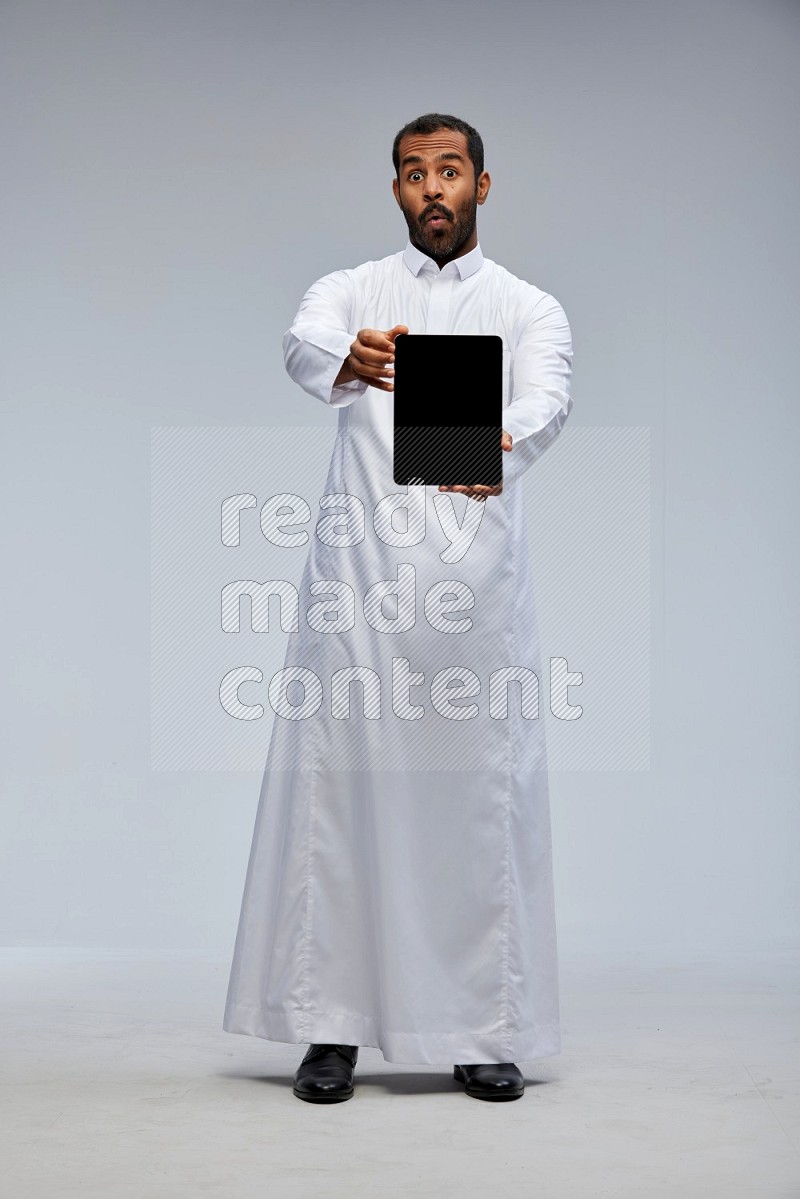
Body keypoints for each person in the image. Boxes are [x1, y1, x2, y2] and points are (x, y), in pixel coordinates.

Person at [223, 112, 574, 1103]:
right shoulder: (353, 290)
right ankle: (328, 1028)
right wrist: (348, 361)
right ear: (394, 190)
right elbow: (302, 342)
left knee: (471, 808)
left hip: (474, 598)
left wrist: (495, 442)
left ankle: (480, 1027)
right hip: (359, 597)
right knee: (341, 802)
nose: (432, 187)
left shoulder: (526, 304)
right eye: (413, 172)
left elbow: (544, 398)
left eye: (449, 170)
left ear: (481, 185)